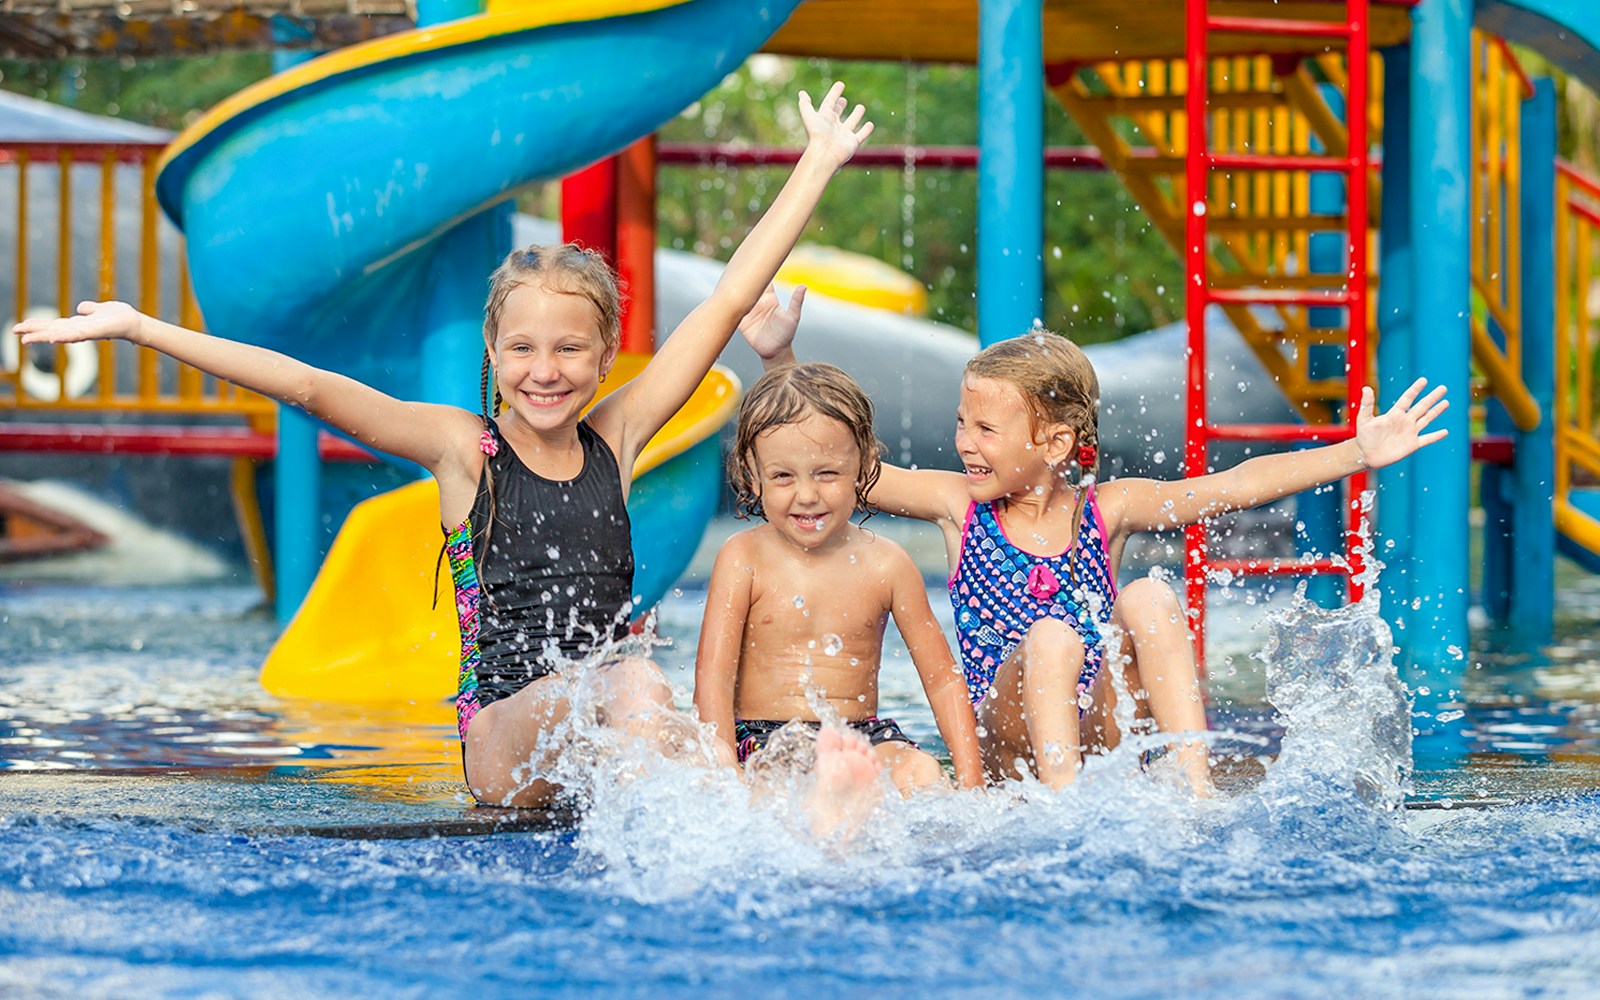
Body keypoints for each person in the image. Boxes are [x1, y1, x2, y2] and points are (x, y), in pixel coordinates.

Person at [14, 82, 875, 810]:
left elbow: (726, 300)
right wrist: (143, 330)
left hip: (599, 727)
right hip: (502, 738)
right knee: (639, 686)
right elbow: (308, 387)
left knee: (731, 743)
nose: (547, 371)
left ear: (606, 357)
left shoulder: (619, 436)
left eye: (571, 350)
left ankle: (779, 822)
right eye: (523, 350)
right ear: (493, 356)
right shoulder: (464, 450)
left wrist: (816, 164)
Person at [739, 305, 1448, 796]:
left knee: (1148, 596)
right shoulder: (959, 506)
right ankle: (1064, 809)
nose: (963, 442)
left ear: (1053, 445)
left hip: (1096, 722)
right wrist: (780, 359)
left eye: (985, 428)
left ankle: (1192, 789)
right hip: (1008, 728)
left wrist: (1356, 451)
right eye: (962, 421)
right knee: (1051, 637)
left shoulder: (1107, 511)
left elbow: (1232, 485)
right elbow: (837, 463)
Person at [692, 362, 984, 812]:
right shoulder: (743, 558)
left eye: (826, 474)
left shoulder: (888, 564)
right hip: (769, 737)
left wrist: (972, 782)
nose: (806, 495)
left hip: (861, 736)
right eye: (783, 476)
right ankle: (832, 813)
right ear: (753, 476)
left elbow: (943, 680)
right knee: (774, 782)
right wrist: (722, 765)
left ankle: (842, 798)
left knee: (921, 774)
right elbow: (712, 674)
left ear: (864, 467)